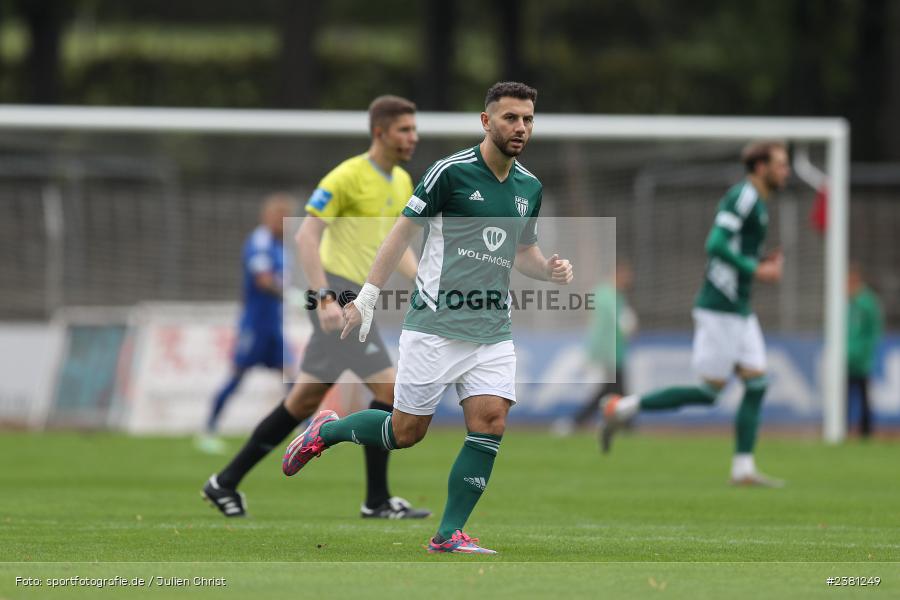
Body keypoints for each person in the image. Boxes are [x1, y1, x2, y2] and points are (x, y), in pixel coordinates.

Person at [281, 81, 574, 554]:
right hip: (435, 327)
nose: (520, 127)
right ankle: (327, 431)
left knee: (491, 421)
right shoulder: (449, 173)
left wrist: (550, 270)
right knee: (405, 432)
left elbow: (525, 253)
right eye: (510, 118)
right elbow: (398, 237)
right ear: (486, 121)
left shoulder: (529, 187)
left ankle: (447, 534)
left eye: (528, 119)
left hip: (493, 330)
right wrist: (368, 299)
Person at [202, 95, 430, 519]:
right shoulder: (346, 176)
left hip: (357, 298)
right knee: (391, 393)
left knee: (302, 402)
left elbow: (391, 247)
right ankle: (377, 500)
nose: (413, 137)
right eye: (404, 129)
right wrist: (324, 297)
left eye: (414, 129)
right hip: (336, 297)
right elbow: (306, 237)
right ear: (379, 132)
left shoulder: (401, 181)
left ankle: (224, 481)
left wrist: (425, 283)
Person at [601, 141, 790, 487]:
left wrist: (760, 262)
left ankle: (743, 469)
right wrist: (756, 268)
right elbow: (715, 244)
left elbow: (734, 250)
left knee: (757, 383)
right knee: (708, 393)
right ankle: (621, 408)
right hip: (721, 307)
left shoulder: (759, 202)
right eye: (781, 164)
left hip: (740, 309)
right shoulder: (743, 197)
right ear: (761, 167)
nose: (786, 171)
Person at [197, 194, 296, 455]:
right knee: (237, 375)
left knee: (292, 376)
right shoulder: (260, 241)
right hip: (254, 324)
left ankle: (308, 432)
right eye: (279, 218)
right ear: (268, 217)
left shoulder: (281, 247)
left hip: (274, 325)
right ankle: (209, 429)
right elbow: (263, 280)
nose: (284, 223)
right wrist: (289, 294)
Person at [554, 261, 636, 435]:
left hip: (615, 351)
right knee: (615, 389)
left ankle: (581, 422)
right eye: (624, 275)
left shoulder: (613, 295)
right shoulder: (607, 295)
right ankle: (578, 421)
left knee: (611, 389)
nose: (627, 280)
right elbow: (614, 325)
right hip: (609, 352)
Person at [846, 262, 883, 438]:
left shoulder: (867, 302)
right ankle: (842, 428)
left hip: (861, 359)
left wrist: (864, 353)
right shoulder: (844, 301)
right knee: (842, 396)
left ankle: (866, 431)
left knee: (863, 394)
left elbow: (873, 331)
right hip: (845, 358)